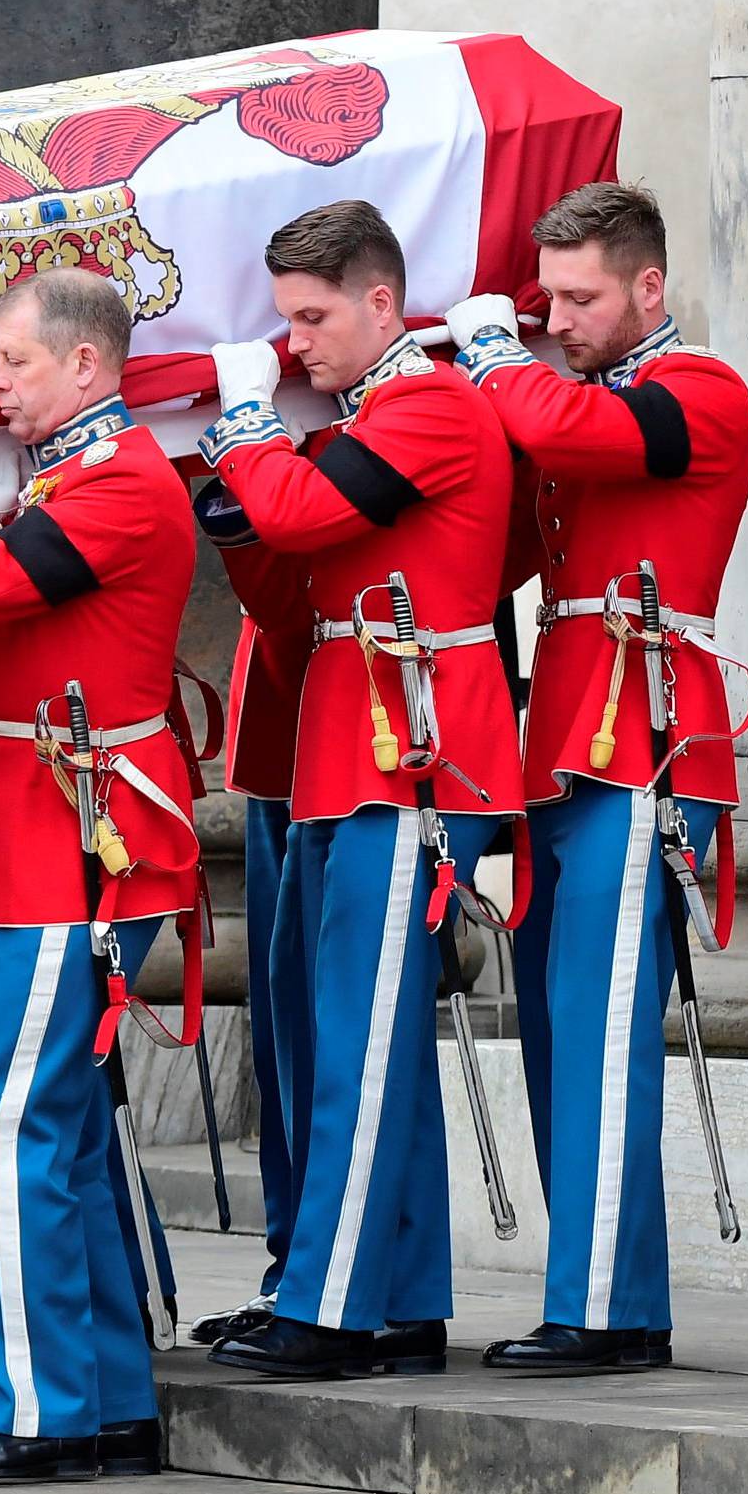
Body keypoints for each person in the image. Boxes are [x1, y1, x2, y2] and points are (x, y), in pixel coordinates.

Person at [0, 268, 198, 1480]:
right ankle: (99, 1393)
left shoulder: (114, 482)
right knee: (50, 1128)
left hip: (82, 841)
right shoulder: (65, 479)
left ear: (87, 368)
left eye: (13, 361)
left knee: (8, 1122)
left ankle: (42, 1408)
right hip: (42, 834)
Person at [200, 198, 523, 1382]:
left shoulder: (430, 402)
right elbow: (294, 599)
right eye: (285, 319)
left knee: (361, 1040)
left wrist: (243, 431)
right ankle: (392, 1295)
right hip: (352, 751)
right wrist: (236, 516)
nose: (295, 343)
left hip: (412, 759)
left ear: (382, 303)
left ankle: (335, 1307)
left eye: (313, 316)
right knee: (354, 1028)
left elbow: (297, 509)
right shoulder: (363, 417)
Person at [447, 181, 748, 1374]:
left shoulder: (700, 391)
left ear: (648, 286)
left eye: (581, 297)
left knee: (605, 1030)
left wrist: (489, 356)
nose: (559, 319)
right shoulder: (574, 400)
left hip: (646, 739)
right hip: (564, 744)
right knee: (559, 1032)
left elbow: (575, 439)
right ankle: (596, 1289)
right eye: (547, 299)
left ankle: (610, 1309)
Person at [184, 484, 309, 1350]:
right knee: (283, 1032)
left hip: (352, 735)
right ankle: (295, 1257)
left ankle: (327, 1266)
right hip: (281, 735)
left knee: (325, 1035)